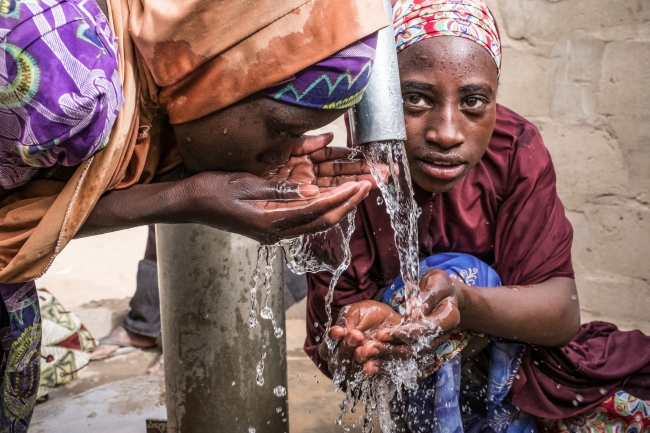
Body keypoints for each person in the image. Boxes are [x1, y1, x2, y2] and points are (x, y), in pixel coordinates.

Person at [0, 0, 388, 428]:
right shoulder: (56, 84)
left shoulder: (142, 64)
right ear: (216, 76)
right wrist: (183, 199)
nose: (283, 154)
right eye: (282, 129)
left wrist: (187, 186)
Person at [306, 0, 650, 431]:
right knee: (453, 269)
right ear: (383, 98)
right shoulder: (349, 180)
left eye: (473, 101)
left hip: (529, 367)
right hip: (423, 394)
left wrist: (462, 301)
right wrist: (363, 343)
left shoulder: (513, 150)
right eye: (414, 98)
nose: (447, 132)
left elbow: (561, 314)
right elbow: (334, 352)